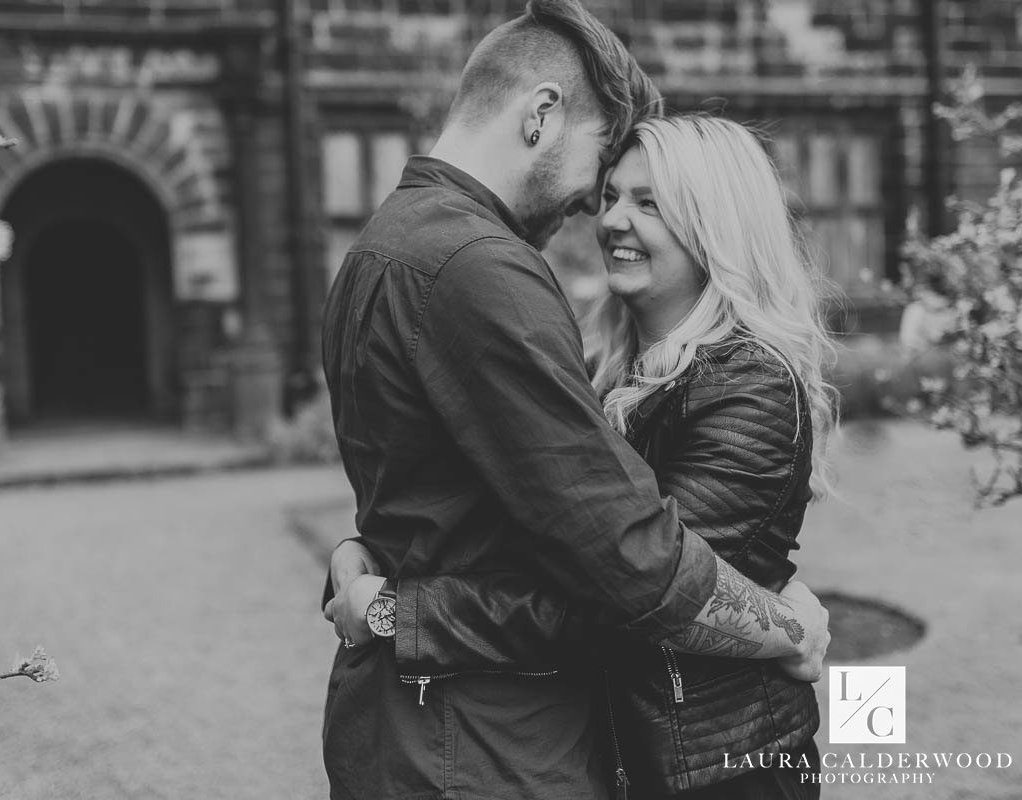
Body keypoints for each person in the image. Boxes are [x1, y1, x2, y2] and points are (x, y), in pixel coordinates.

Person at [319, 2, 830, 799]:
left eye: (649, 201)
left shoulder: (387, 247)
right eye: (607, 170)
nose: (601, 208)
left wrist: (386, 598)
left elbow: (618, 565)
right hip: (476, 738)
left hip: (704, 762)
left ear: (716, 228)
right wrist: (786, 625)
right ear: (542, 114)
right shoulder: (478, 268)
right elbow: (630, 567)